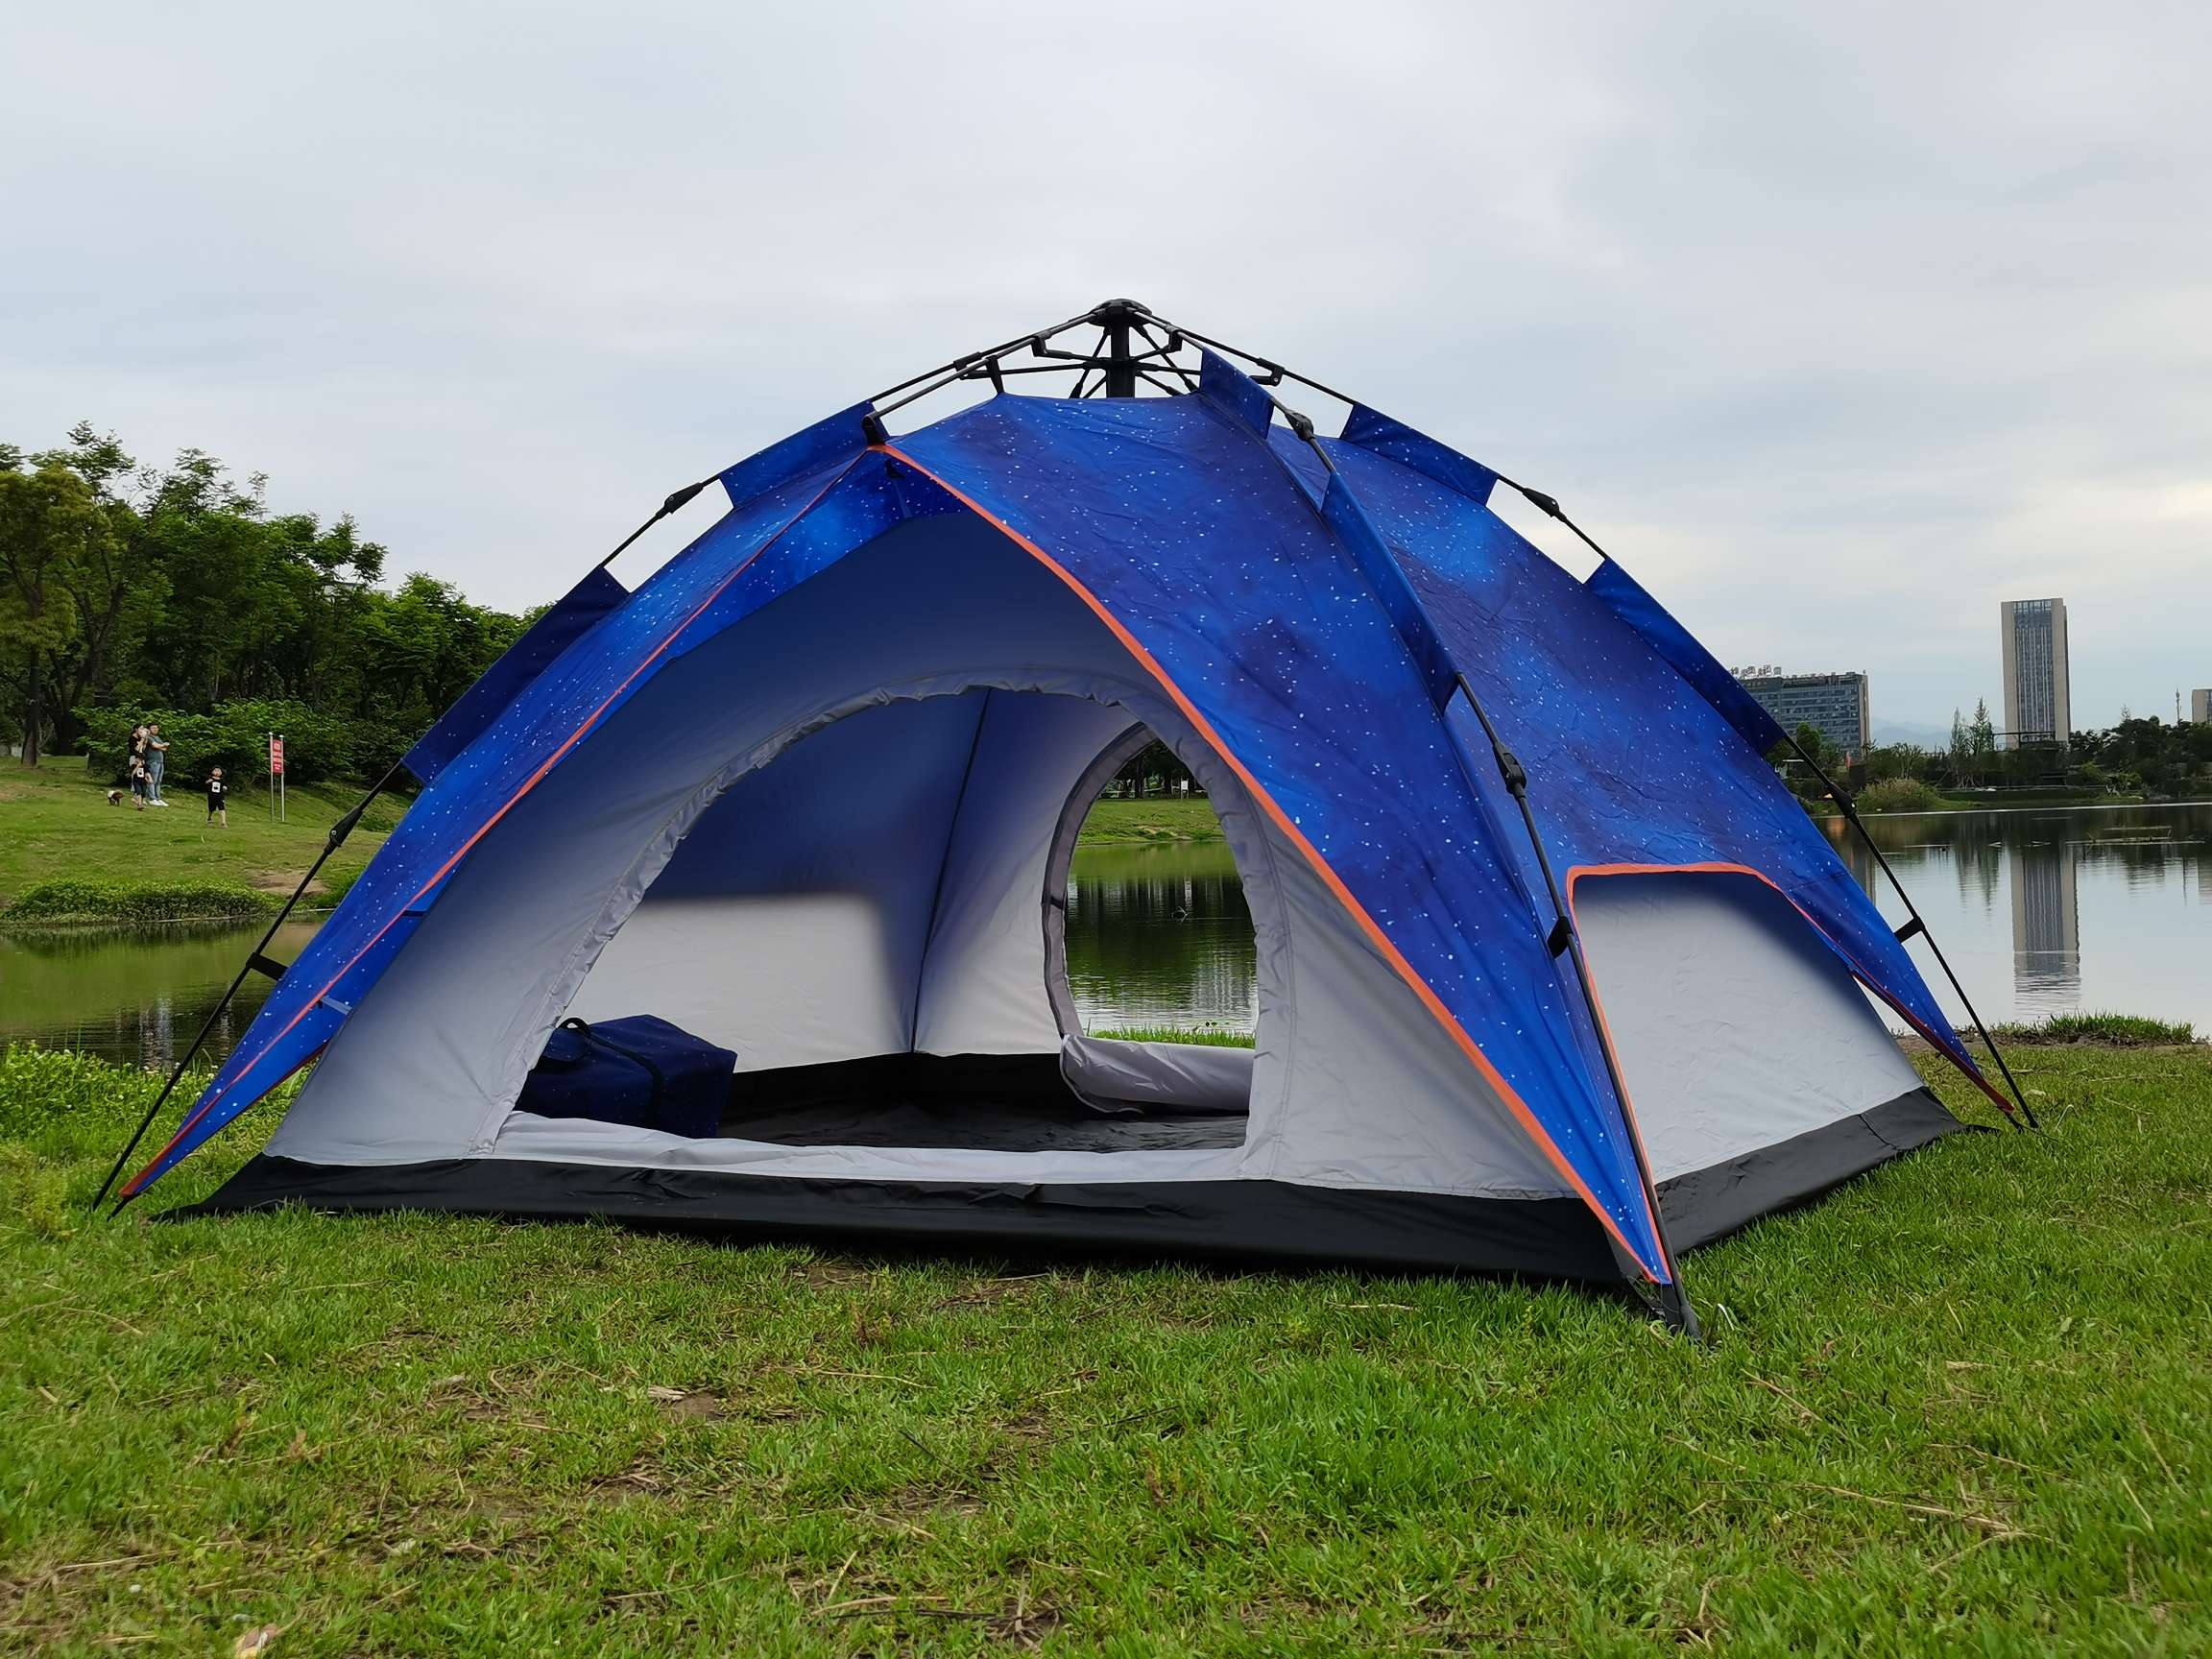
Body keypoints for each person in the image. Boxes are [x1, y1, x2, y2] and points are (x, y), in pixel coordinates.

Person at [145, 722, 170, 805]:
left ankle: (158, 798)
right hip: (153, 761)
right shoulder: (148, 737)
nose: (155, 729)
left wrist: (161, 746)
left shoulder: (158, 737)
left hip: (160, 762)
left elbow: (164, 749)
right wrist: (162, 745)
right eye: (153, 728)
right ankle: (151, 798)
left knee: (158, 781)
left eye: (156, 728)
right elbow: (155, 746)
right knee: (152, 780)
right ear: (149, 729)